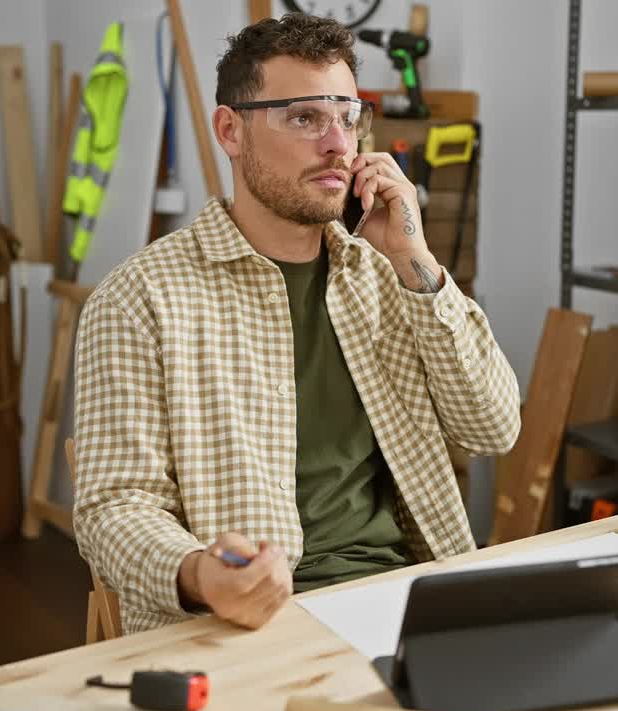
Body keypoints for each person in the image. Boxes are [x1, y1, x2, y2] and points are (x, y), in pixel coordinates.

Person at [72, 12, 520, 635]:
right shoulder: (139, 298)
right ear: (231, 130)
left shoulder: (385, 274)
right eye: (305, 117)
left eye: (348, 117)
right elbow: (113, 507)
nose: (338, 143)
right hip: (243, 624)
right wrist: (199, 573)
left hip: (408, 598)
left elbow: (494, 428)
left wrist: (417, 261)